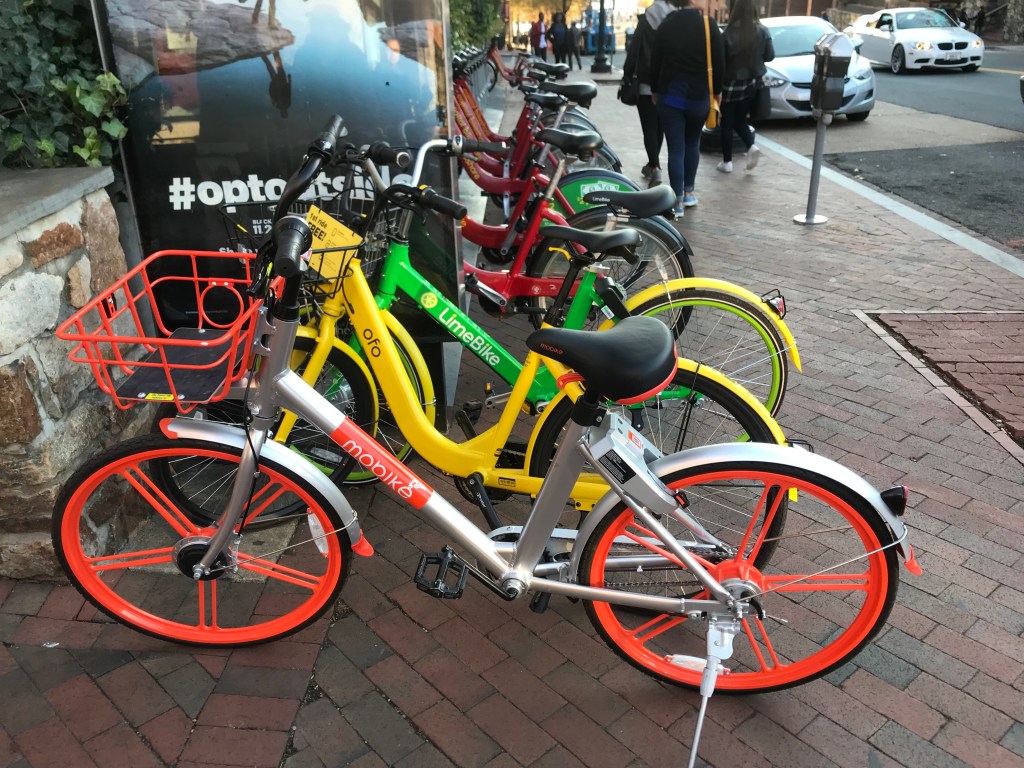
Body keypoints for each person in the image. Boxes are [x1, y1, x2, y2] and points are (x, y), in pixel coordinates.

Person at [650, 0, 723, 215]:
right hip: (699, 96)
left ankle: (677, 201)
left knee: (676, 148)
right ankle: (689, 192)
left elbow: (655, 61)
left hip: (671, 95)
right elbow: (720, 61)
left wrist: (655, 90)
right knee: (693, 142)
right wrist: (717, 91)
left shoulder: (666, 24)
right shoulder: (708, 25)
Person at [622, 0, 676, 187]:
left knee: (649, 127)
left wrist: (627, 73)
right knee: (660, 126)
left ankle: (655, 167)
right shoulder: (675, 20)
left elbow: (635, 49)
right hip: (668, 83)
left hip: (645, 81)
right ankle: (653, 164)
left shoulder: (646, 20)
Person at [716, 0, 773, 174]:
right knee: (740, 120)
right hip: (751, 84)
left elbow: (721, 62)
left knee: (726, 122)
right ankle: (751, 146)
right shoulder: (763, 31)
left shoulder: (727, 33)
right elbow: (770, 56)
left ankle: (727, 162)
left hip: (730, 84)